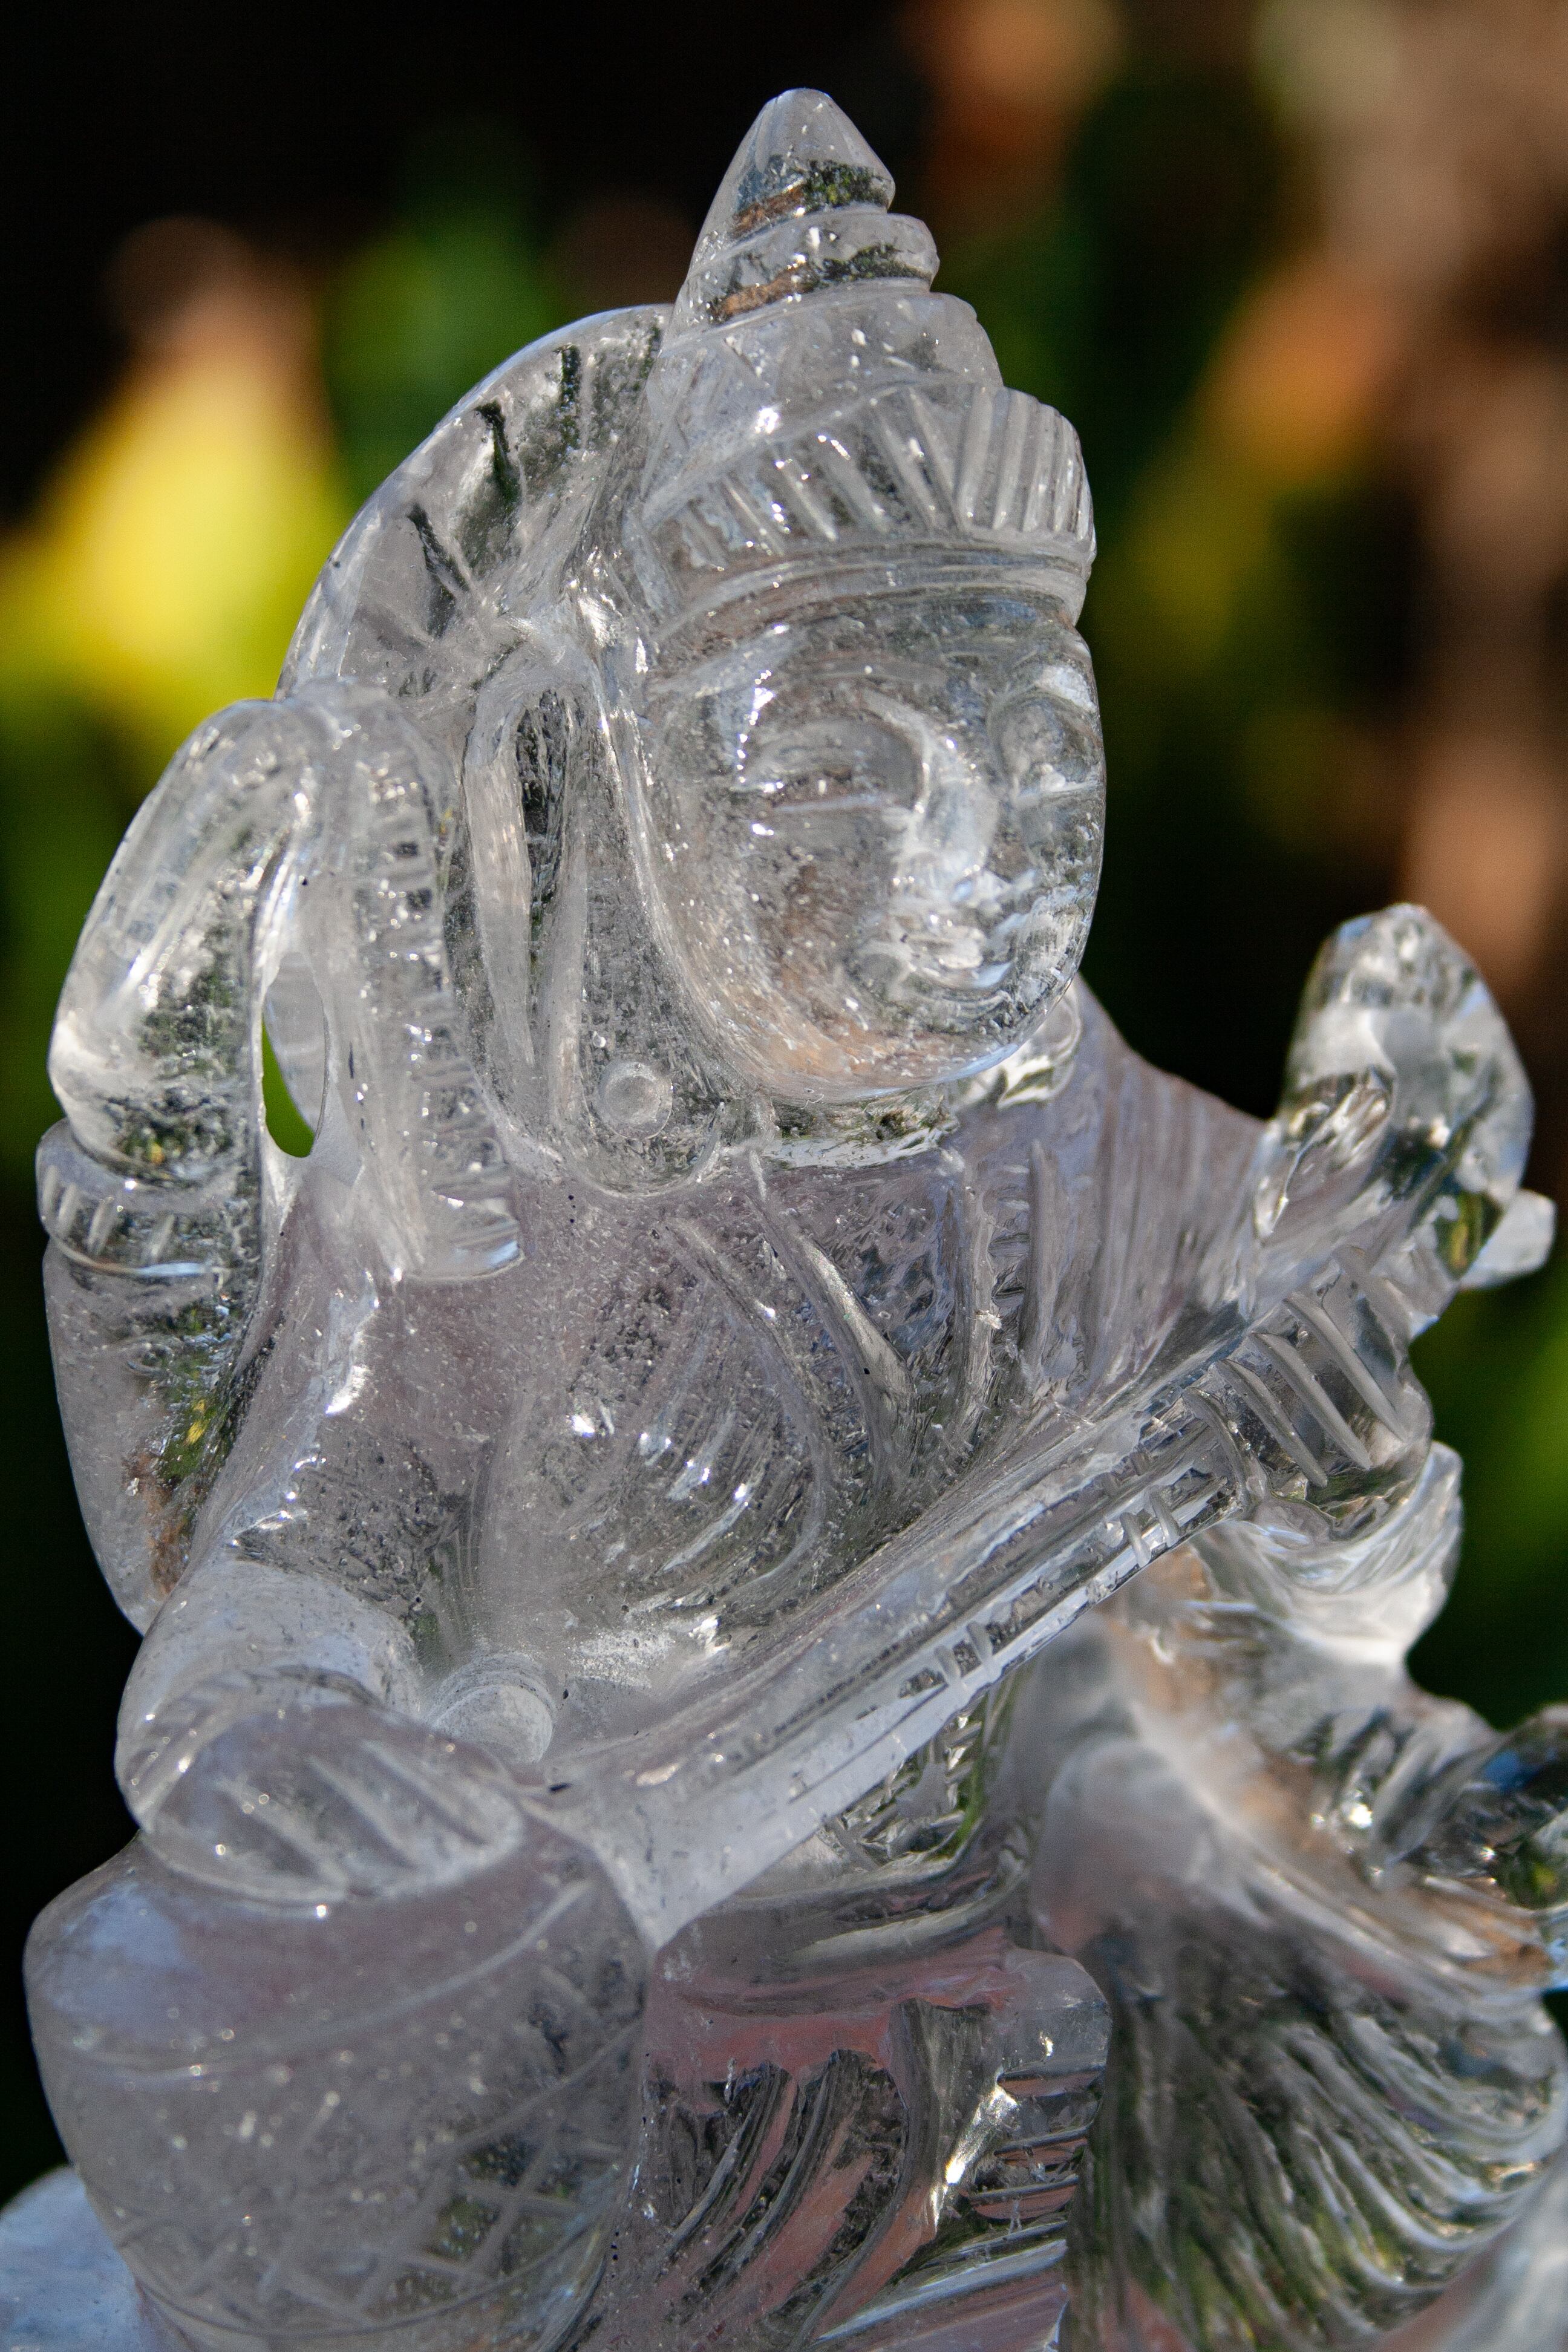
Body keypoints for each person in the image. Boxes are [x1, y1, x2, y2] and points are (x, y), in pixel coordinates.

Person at [19, 93, 1566, 2352]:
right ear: (618, 773)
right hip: (641, 2045)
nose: (977, 873)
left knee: (1419, 2087)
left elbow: (1291, 1627)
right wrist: (285, 1746)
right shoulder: (494, 1205)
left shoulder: (1095, 1139)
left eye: (1042, 773)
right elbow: (286, 1572)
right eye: (850, 779)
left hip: (1007, 1973)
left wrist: (1345, 1515)